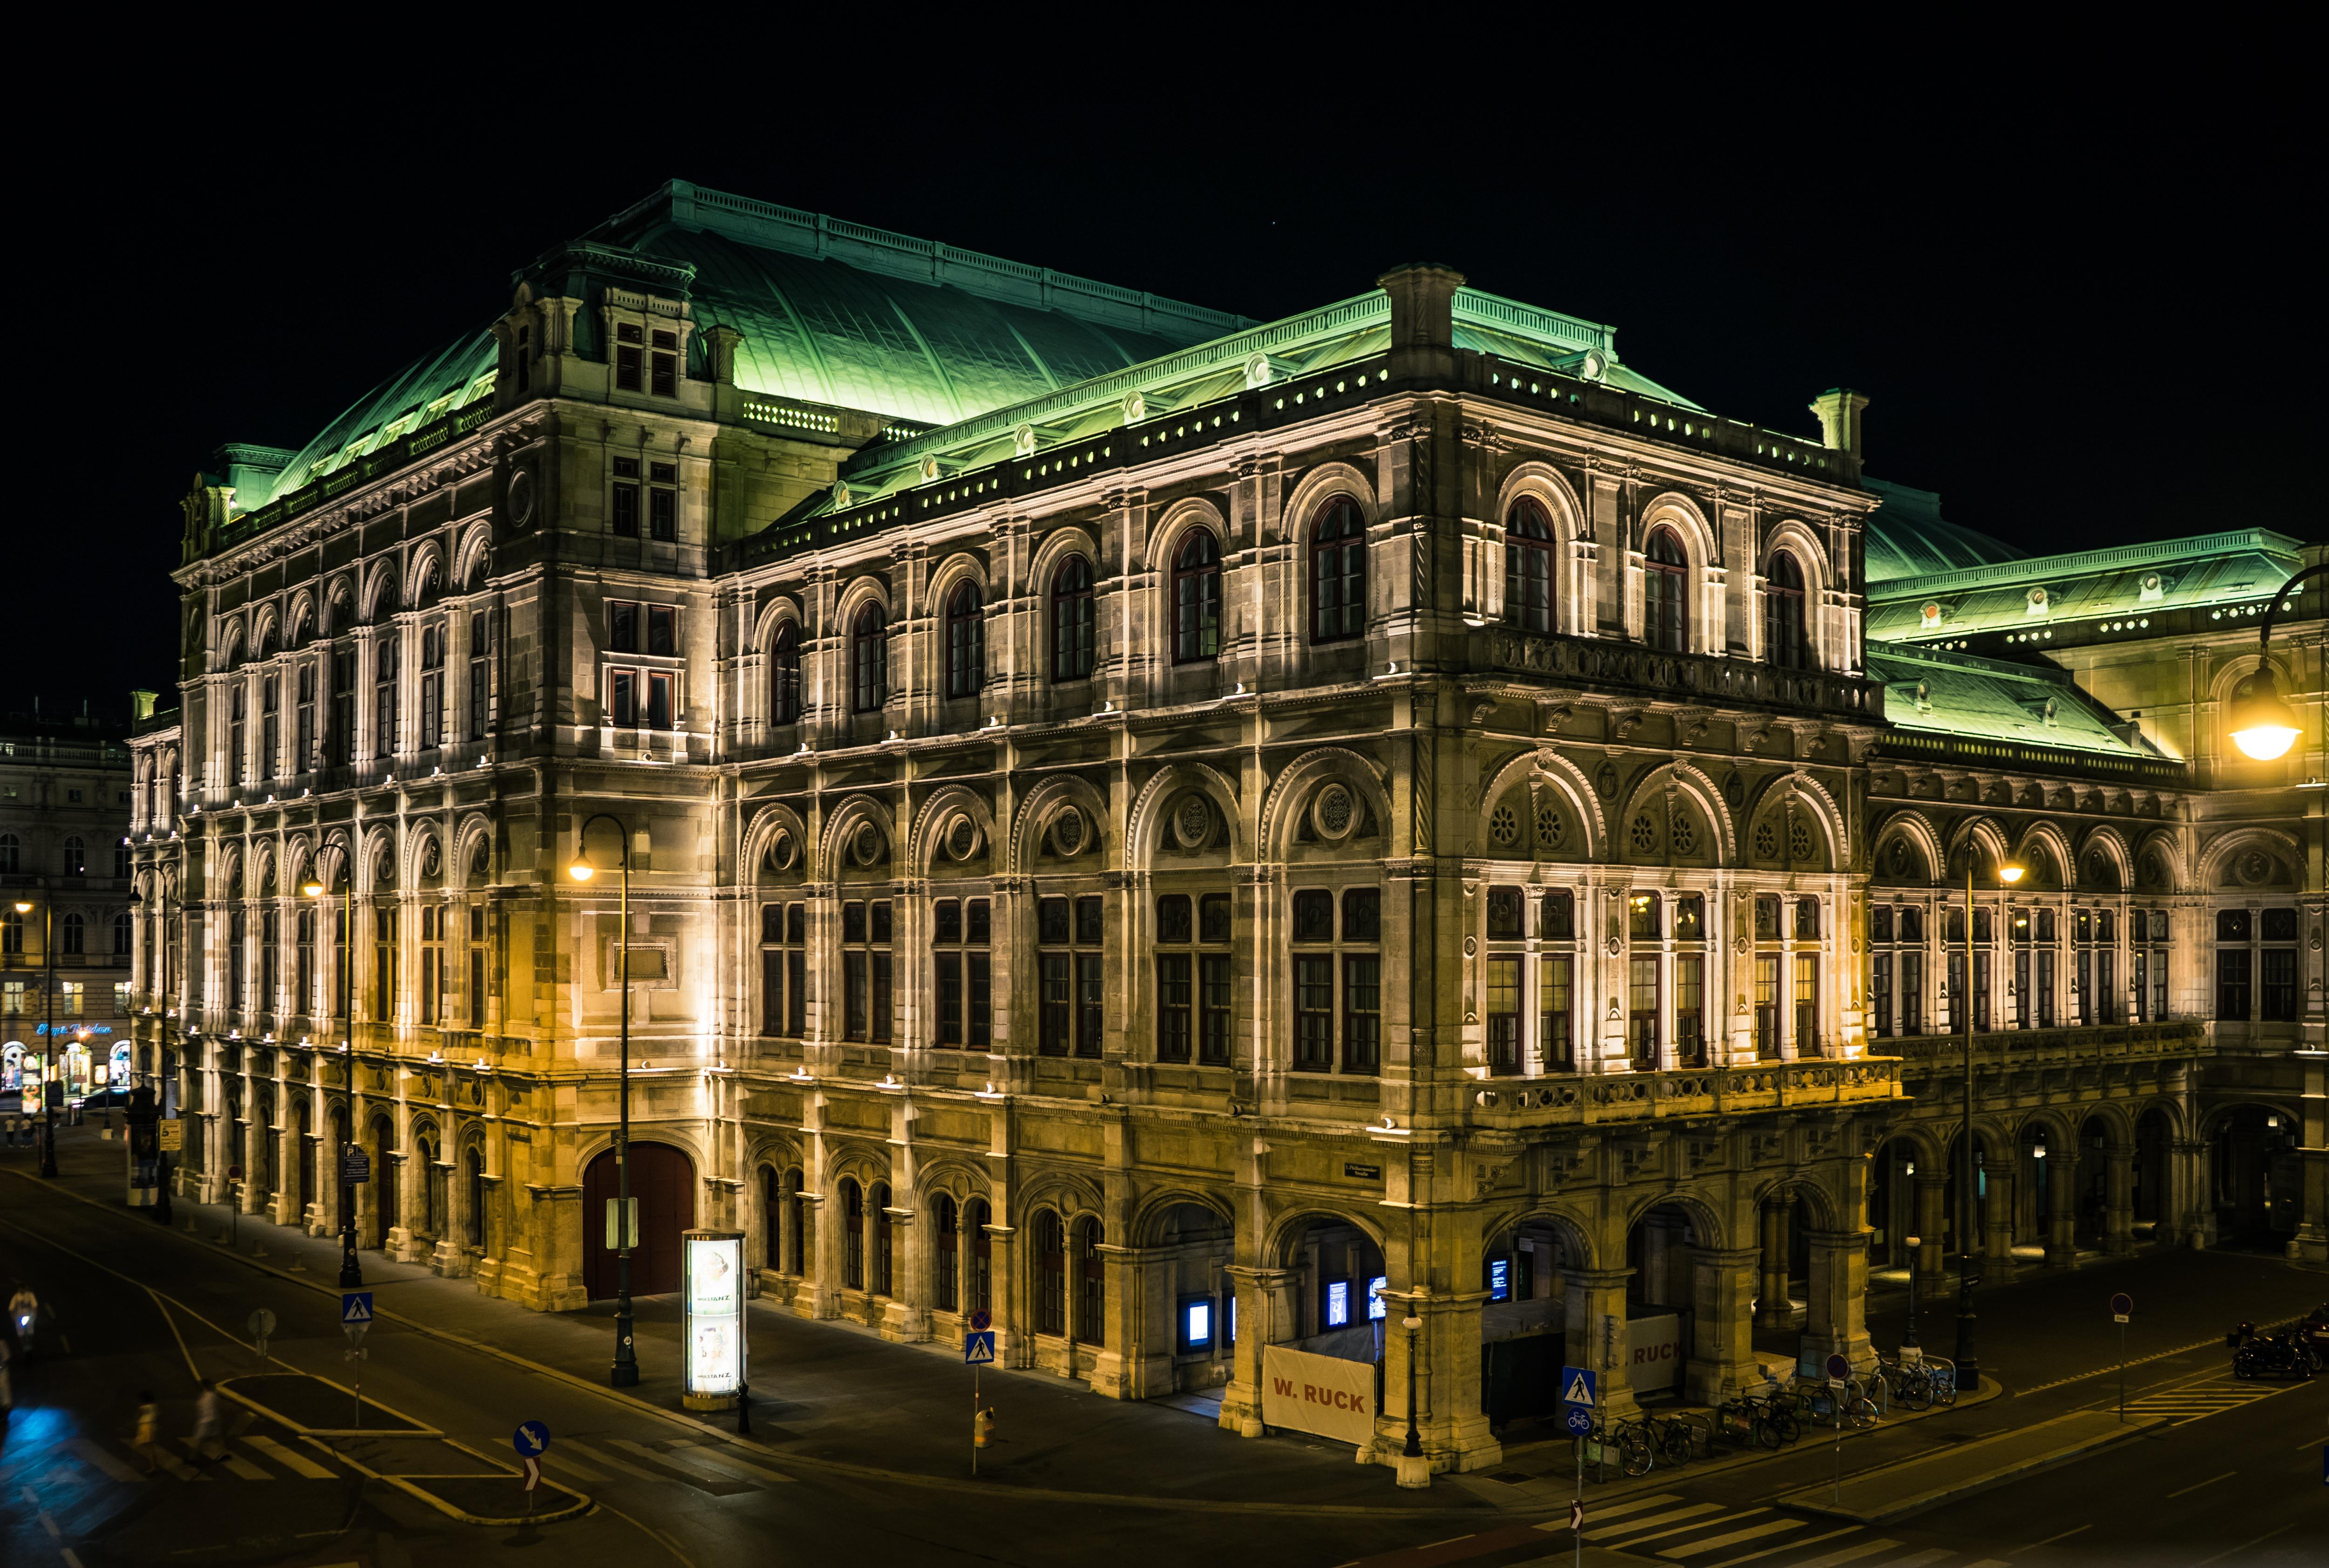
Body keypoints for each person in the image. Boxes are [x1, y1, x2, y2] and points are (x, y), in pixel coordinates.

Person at [191, 1379, 222, 1463]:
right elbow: (219, 1405)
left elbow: (199, 1410)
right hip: (214, 1419)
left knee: (200, 1439)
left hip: (205, 1421)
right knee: (216, 1437)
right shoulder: (213, 1395)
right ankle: (219, 1454)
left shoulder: (202, 1397)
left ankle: (194, 1457)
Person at [133, 1391, 160, 1474]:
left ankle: (150, 1466)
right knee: (150, 1448)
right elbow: (158, 1415)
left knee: (140, 1446)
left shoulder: (143, 1408)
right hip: (152, 1426)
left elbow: (137, 1417)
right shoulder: (155, 1406)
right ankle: (153, 1466)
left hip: (145, 1427)